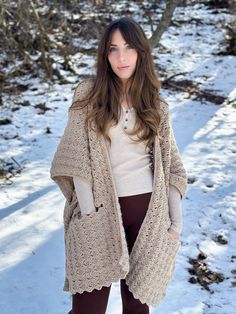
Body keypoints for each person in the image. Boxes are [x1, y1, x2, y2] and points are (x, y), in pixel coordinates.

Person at [50, 17, 187, 314]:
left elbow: (173, 167)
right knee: (88, 308)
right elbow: (75, 158)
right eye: (113, 49)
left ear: (141, 52)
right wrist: (89, 213)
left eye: (128, 48)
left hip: (149, 214)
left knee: (137, 308)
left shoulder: (156, 104)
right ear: (105, 55)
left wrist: (175, 224)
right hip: (98, 212)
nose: (121, 57)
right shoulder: (88, 94)